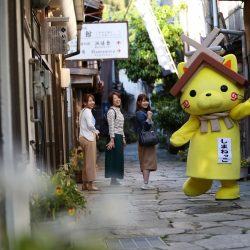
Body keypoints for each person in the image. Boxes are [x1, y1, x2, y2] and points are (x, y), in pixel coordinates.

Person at [136, 93, 157, 190]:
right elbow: (145, 127)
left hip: (148, 141)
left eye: (146, 100)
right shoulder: (140, 113)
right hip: (145, 141)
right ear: (139, 102)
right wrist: (149, 117)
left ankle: (146, 183)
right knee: (145, 161)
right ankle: (145, 183)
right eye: (143, 101)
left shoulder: (145, 112)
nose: (145, 102)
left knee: (148, 161)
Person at [79, 94, 100, 191]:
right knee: (91, 162)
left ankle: (84, 184)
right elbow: (90, 125)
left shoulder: (82, 111)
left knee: (86, 162)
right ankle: (91, 185)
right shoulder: (87, 111)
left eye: (93, 100)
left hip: (82, 137)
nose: (92, 102)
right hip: (88, 139)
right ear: (85, 103)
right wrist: (96, 131)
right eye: (89, 101)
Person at [105, 91, 126, 185]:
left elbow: (121, 126)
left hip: (119, 136)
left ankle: (114, 180)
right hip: (114, 137)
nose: (118, 100)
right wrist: (112, 139)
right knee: (113, 158)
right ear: (111, 101)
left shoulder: (118, 111)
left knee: (118, 159)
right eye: (115, 98)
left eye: (118, 97)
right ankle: (113, 180)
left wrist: (123, 138)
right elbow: (111, 126)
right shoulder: (111, 111)